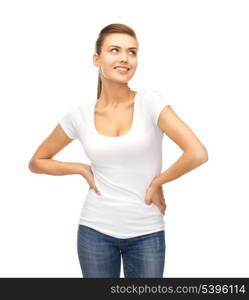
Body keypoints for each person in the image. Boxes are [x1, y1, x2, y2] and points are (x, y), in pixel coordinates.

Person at [28, 23, 208, 278]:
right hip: (94, 232)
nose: (125, 58)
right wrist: (79, 168)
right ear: (97, 59)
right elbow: (37, 162)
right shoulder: (79, 116)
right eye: (115, 50)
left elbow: (197, 152)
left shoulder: (150, 102)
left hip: (146, 232)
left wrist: (158, 182)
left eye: (132, 52)